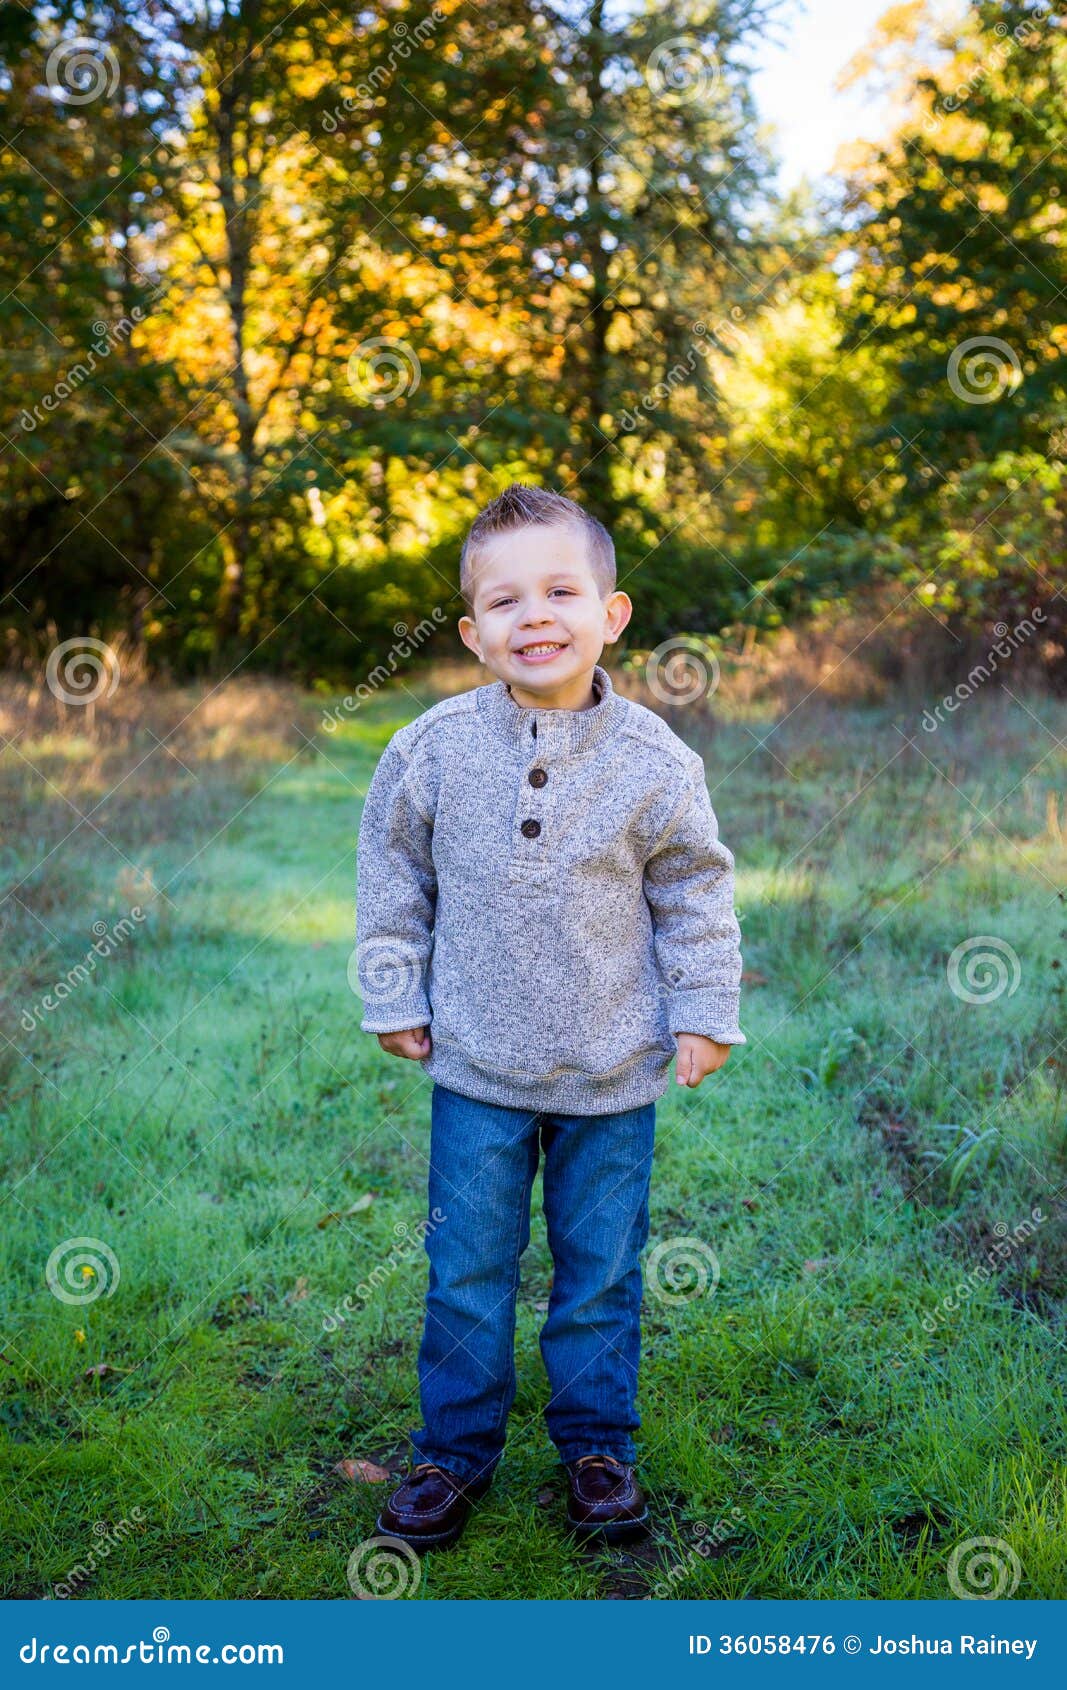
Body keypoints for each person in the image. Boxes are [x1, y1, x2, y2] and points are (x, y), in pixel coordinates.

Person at [354, 482, 745, 1551]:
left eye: (560, 590)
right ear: (474, 632)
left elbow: (694, 891)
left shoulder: (653, 762)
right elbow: (393, 875)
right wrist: (392, 987)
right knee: (468, 1270)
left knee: (600, 1272)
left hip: (609, 1072)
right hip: (475, 1067)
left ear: (608, 614)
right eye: (504, 599)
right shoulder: (430, 750)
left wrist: (705, 1009)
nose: (535, 615)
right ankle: (452, 1451)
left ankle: (594, 1446)